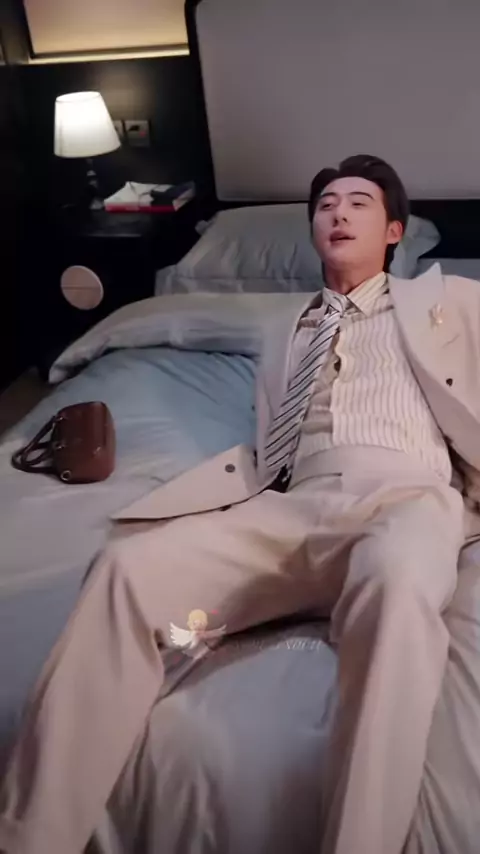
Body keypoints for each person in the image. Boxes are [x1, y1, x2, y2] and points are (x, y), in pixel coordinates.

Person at [3, 153, 480, 854]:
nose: (338, 214)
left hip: (404, 496)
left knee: (397, 584)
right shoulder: (281, 328)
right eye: (325, 206)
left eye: (358, 204)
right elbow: (224, 372)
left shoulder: (451, 300)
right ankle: (33, 838)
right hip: (292, 508)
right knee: (128, 572)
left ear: (393, 232)